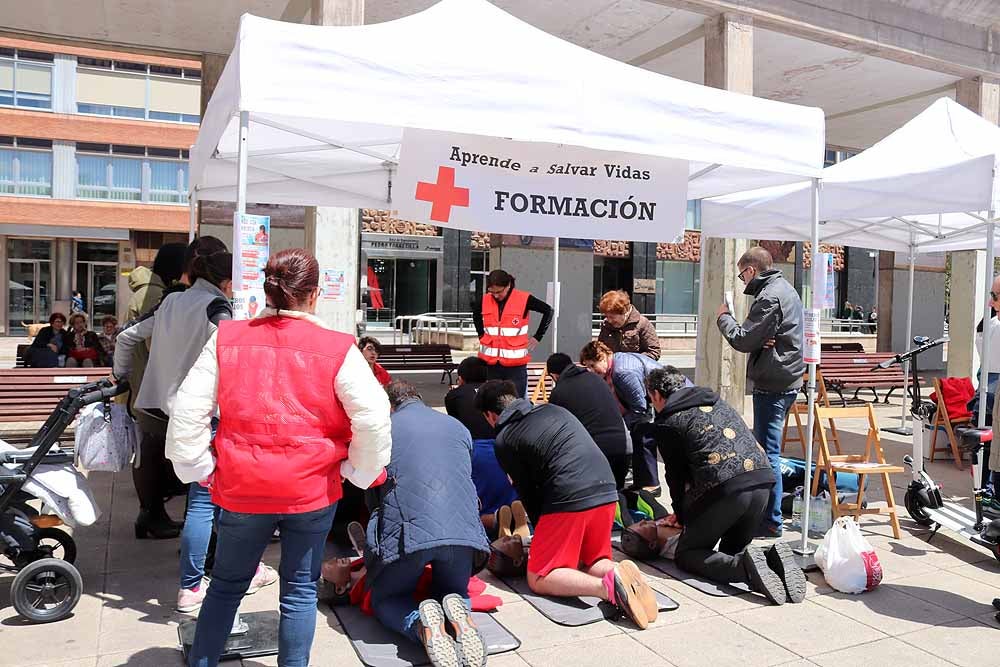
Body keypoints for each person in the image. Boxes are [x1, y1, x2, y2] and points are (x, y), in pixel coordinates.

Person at [167, 248, 392, 667]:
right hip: (311, 488)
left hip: (241, 485)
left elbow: (187, 409)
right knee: (300, 589)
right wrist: (358, 471)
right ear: (314, 294)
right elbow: (375, 417)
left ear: (267, 291)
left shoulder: (228, 337)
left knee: (226, 586)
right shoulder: (337, 347)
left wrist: (198, 468)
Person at [115, 237, 280, 616]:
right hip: (207, 419)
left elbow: (126, 337)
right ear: (227, 282)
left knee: (213, 498)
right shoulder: (217, 309)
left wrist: (120, 376)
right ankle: (192, 587)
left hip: (167, 415)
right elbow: (240, 354)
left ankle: (242, 568)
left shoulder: (171, 301)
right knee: (206, 502)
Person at [475, 380, 658, 630]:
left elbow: (527, 493)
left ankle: (607, 587)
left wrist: (543, 535)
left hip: (569, 497)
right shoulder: (554, 410)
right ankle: (618, 573)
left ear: (490, 415)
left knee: (540, 576)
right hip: (606, 490)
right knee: (592, 560)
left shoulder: (505, 439)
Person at [643, 368, 803, 605]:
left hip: (726, 489)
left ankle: (745, 570)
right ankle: (771, 561)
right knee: (729, 552)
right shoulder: (718, 401)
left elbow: (675, 476)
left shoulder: (668, 421)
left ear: (656, 395)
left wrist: (682, 516)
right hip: (763, 480)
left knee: (688, 554)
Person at [366, 381, 489, 667]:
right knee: (454, 591)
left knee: (387, 598)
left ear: (390, 406)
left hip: (411, 535)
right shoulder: (457, 427)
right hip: (463, 533)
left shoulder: (384, 429)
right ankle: (460, 617)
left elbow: (372, 493)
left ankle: (421, 626)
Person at [716, 246, 804, 538]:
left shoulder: (768, 297)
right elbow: (764, 336)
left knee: (768, 454)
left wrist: (724, 318)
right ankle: (767, 514)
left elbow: (742, 340)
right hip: (787, 379)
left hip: (773, 383)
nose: (743, 282)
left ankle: (770, 520)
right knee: (769, 450)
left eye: (742, 275)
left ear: (752, 270)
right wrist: (763, 339)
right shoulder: (786, 289)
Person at [118, 242, 189, 541]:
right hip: (149, 385)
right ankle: (151, 516)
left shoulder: (147, 288)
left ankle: (151, 514)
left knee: (149, 450)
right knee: (150, 451)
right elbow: (152, 342)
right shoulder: (154, 295)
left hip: (141, 381)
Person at [579, 341, 663, 495]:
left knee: (643, 438)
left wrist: (622, 424)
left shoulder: (622, 372)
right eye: (587, 367)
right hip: (655, 401)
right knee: (638, 438)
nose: (590, 371)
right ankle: (641, 482)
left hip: (666, 399)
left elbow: (640, 406)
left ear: (603, 358)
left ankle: (652, 484)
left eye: (592, 365)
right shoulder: (613, 368)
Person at [445, 357, 516, 533]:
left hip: (474, 450)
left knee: (473, 502)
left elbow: (456, 426)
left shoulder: (454, 396)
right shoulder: (497, 393)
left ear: (461, 378)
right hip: (505, 446)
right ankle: (513, 518)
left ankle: (492, 520)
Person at [546, 352, 630, 490]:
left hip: (597, 454)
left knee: (600, 501)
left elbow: (556, 432)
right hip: (625, 446)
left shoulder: (559, 392)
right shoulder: (595, 378)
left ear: (554, 376)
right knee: (617, 499)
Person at [472, 269, 553, 398]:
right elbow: (475, 315)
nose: (496, 296)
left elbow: (548, 311)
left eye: (499, 292)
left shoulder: (523, 299)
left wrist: (538, 336)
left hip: (516, 366)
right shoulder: (484, 300)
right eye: (492, 292)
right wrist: (481, 334)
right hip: (491, 365)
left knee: (516, 403)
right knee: (493, 403)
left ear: (508, 285)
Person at [596, 290, 660, 360]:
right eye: (606, 316)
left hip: (636, 369)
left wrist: (630, 362)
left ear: (625, 312)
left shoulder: (642, 323)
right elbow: (600, 349)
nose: (609, 320)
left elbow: (654, 352)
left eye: (612, 317)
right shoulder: (606, 325)